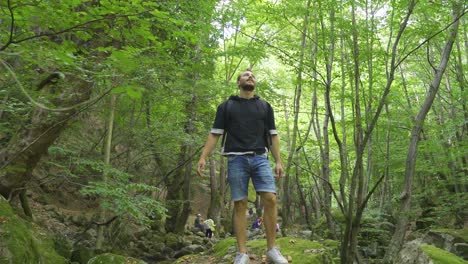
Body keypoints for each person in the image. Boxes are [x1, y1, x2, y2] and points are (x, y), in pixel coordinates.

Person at [197, 69, 288, 264]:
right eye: (246, 75)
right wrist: (203, 157)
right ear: (238, 82)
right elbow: (215, 134)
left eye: (253, 76)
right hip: (236, 159)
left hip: (260, 157)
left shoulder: (265, 107)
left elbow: (273, 135)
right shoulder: (226, 107)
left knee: (270, 198)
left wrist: (278, 160)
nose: (250, 77)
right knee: (239, 204)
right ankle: (242, 253)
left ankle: (272, 250)